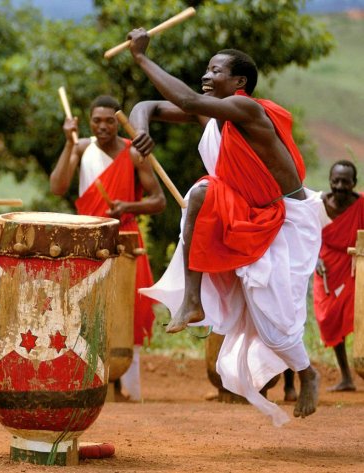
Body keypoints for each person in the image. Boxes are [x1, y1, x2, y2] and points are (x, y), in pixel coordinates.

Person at [126, 28, 320, 425]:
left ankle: (306, 372)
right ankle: (193, 300)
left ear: (239, 83)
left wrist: (142, 58)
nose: (207, 75)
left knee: (275, 322)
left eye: (216, 71)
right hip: (245, 211)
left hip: (286, 218)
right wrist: (140, 130)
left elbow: (184, 99)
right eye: (207, 69)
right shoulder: (213, 112)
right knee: (200, 193)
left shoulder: (246, 110)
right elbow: (148, 104)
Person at [49, 95, 166, 401]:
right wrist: (66, 143)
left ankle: (125, 386)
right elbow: (57, 187)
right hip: (87, 239)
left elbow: (159, 200)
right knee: (87, 310)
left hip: (125, 239)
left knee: (128, 311)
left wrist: (127, 206)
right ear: (89, 121)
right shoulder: (80, 147)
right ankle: (90, 383)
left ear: (118, 121)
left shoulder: (134, 152)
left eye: (109, 120)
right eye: (97, 120)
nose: (103, 126)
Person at [313, 160, 363, 392]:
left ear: (354, 183)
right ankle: (346, 377)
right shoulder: (317, 205)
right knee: (328, 318)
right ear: (329, 181)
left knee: (359, 315)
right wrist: (315, 259)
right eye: (336, 181)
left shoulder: (361, 205)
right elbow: (307, 238)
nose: (340, 186)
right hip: (326, 268)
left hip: (355, 267)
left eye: (346, 181)